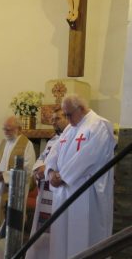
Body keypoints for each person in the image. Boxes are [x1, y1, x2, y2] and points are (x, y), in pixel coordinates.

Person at [45, 95, 115, 259]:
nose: (67, 119)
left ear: (81, 109)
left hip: (86, 194)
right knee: (61, 242)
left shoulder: (99, 125)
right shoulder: (70, 128)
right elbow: (53, 153)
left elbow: (87, 157)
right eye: (66, 115)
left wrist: (62, 176)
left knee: (84, 240)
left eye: (69, 114)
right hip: (64, 193)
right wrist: (50, 172)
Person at [25, 108, 69, 259]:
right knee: (41, 234)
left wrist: (48, 169)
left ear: (68, 118)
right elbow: (40, 160)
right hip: (44, 193)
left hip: (58, 193)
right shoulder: (52, 140)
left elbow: (68, 165)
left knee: (56, 235)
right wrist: (39, 169)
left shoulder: (72, 139)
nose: (53, 122)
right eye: (52, 119)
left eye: (57, 118)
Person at [0, 116, 36, 239]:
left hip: (14, 192)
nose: (6, 132)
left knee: (10, 226)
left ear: (19, 129)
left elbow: (27, 170)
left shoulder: (27, 145)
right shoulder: (1, 143)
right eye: (4, 129)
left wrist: (4, 176)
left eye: (9, 130)